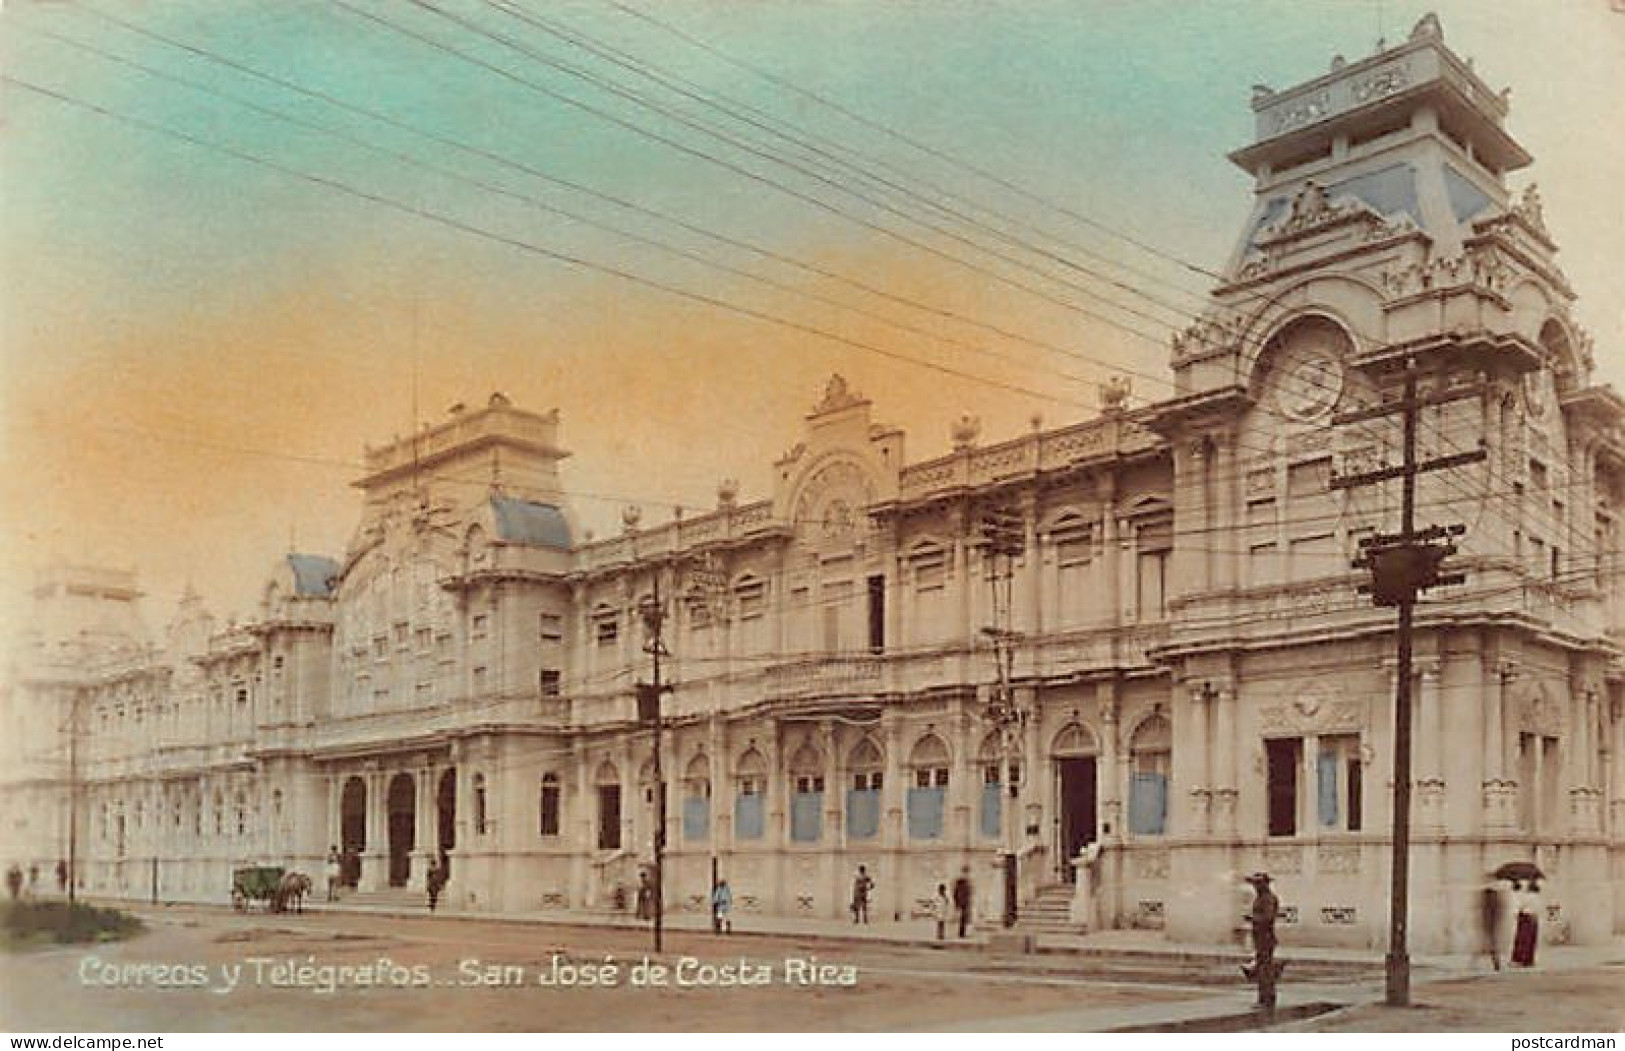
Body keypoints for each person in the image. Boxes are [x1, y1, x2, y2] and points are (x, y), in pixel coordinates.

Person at [1241, 872, 1281, 1007]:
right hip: (1260, 937)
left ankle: (1266, 999)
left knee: (1265, 970)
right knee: (1263, 968)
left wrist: (1252, 919)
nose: (1255, 887)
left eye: (1258, 884)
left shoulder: (1268, 898)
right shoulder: (1261, 898)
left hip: (1266, 937)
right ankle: (1265, 997)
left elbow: (1268, 918)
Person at [1511, 878, 1540, 967]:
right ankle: (1529, 960)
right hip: (1534, 918)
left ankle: (1520, 960)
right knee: (1531, 940)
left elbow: (1520, 906)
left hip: (1525, 917)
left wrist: (1516, 913)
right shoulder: (1537, 897)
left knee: (1522, 939)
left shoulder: (1526, 896)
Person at [1480, 878, 1505, 971]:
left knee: (1491, 943)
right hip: (1492, 923)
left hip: (1490, 923)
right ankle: (1495, 962)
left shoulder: (1490, 898)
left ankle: (1496, 962)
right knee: (1491, 943)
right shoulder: (1495, 896)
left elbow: (1489, 912)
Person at [952, 867, 973, 938]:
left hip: (965, 902)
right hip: (962, 902)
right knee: (962, 918)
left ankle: (962, 933)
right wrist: (957, 902)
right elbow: (955, 893)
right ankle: (961, 933)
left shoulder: (967, 882)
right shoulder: (962, 882)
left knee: (964, 918)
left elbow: (969, 893)